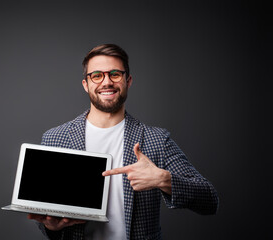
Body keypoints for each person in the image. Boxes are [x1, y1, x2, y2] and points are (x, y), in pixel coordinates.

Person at [28, 44, 219, 240]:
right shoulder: (55, 138)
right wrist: (52, 227)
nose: (107, 82)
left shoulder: (156, 140)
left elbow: (209, 201)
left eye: (115, 74)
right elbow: (45, 216)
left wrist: (163, 179)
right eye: (97, 76)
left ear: (128, 80)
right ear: (86, 84)